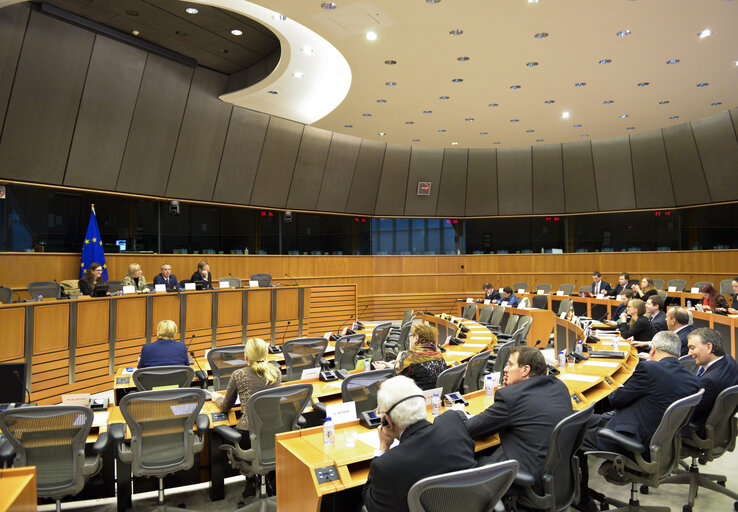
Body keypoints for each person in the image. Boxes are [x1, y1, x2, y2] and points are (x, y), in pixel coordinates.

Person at [577, 330, 701, 511]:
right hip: (658, 443)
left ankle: (581, 498)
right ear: (679, 354)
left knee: (573, 435)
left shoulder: (649, 369)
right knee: (587, 419)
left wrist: (622, 387)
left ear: (653, 351)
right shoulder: (693, 380)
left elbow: (616, 400)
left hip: (631, 442)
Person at [362, 376, 476, 512]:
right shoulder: (454, 422)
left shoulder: (386, 464)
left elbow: (371, 503)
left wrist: (383, 448)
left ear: (387, 421)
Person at [463, 346, 572, 487]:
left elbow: (471, 428)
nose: (505, 369)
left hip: (530, 475)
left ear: (525, 370)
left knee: (468, 461)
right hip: (558, 473)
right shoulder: (558, 385)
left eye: (510, 364)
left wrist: (460, 412)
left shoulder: (512, 397)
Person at [211, 338, 282, 433]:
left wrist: (217, 398)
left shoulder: (238, 374)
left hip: (249, 433)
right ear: (266, 354)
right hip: (274, 430)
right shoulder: (276, 372)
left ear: (246, 357)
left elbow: (225, 406)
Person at [687, 328, 738, 433]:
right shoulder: (729, 360)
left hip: (699, 429)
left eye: (692, 348)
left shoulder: (708, 381)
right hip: (722, 428)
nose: (689, 353)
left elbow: (689, 413)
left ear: (709, 347)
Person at [395, 324, 447, 390]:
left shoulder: (409, 355)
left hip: (416, 395)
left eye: (411, 336)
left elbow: (396, 372)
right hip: (435, 395)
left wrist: (385, 367)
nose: (410, 339)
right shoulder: (438, 353)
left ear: (416, 338)